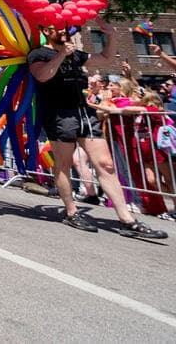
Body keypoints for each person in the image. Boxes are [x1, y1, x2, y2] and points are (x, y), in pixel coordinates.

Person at [28, 21, 166, 239]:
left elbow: (106, 59)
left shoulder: (76, 53)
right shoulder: (38, 54)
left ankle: (127, 220)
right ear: (46, 31)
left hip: (84, 112)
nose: (64, 31)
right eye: (57, 28)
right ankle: (72, 211)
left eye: (64, 27)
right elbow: (42, 76)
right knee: (63, 164)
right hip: (59, 114)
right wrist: (61, 55)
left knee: (106, 164)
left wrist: (112, 36)